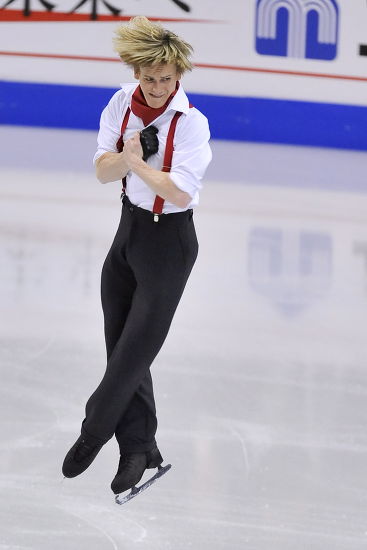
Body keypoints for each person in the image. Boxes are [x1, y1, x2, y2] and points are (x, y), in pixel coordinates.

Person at [62, 15, 212, 495]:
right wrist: (125, 160)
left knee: (132, 354)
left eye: (165, 79)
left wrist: (140, 165)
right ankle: (139, 449)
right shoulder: (120, 104)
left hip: (170, 244)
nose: (156, 87)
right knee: (120, 346)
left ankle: (93, 431)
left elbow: (183, 192)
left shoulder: (191, 123)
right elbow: (102, 172)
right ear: (136, 73)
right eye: (148, 77)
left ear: (178, 77)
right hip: (127, 235)